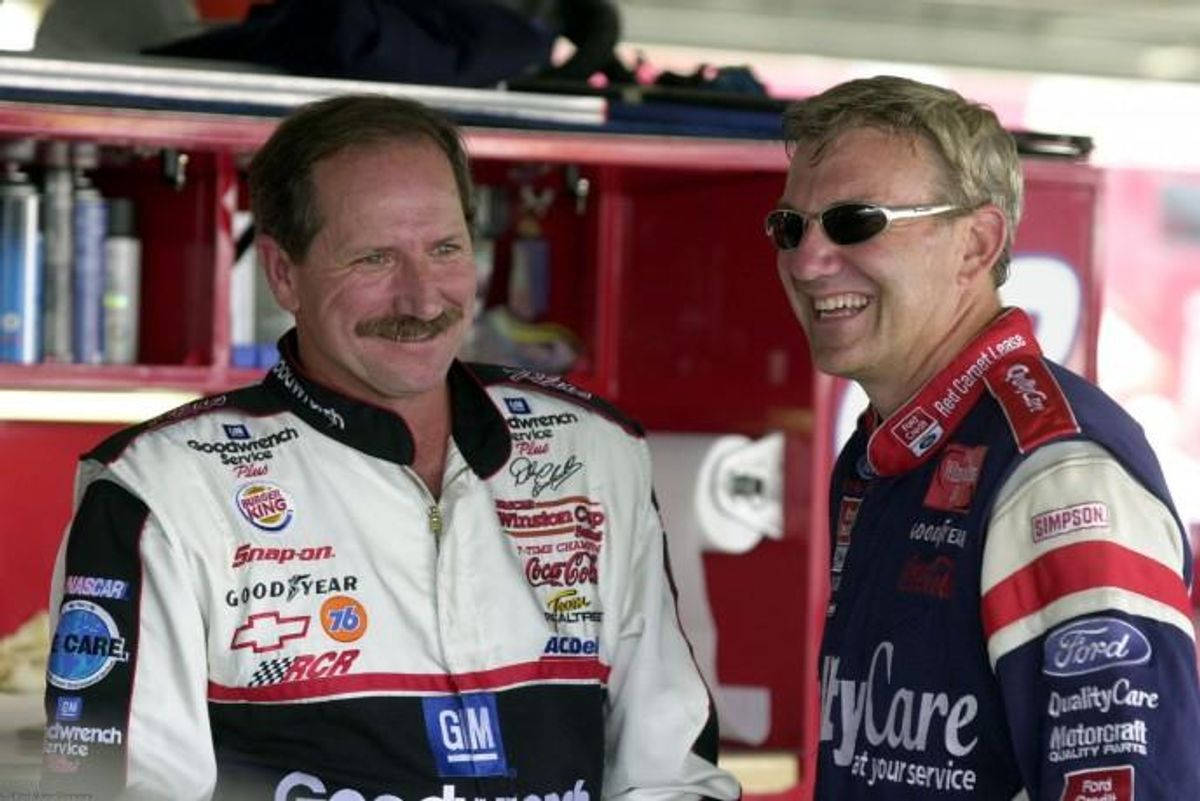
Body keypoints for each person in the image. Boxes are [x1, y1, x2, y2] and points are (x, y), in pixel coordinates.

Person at [41, 94, 741, 801]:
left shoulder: (595, 454)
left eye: (444, 249)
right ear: (284, 273)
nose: (422, 299)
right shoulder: (158, 490)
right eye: (373, 258)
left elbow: (670, 772)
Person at [766, 75, 1200, 800]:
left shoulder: (1057, 474)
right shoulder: (889, 451)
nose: (808, 261)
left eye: (853, 222)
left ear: (977, 243)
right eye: (790, 227)